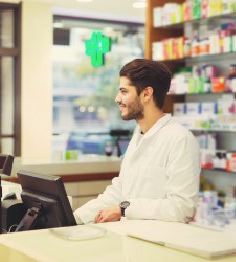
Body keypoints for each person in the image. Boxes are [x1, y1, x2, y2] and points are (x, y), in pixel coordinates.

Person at [74, 59, 200, 224]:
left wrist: (124, 208)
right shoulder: (138, 135)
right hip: (131, 237)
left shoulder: (180, 139)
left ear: (146, 94)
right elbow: (119, 191)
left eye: (124, 92)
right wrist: (75, 218)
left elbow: (182, 208)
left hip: (160, 243)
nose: (117, 99)